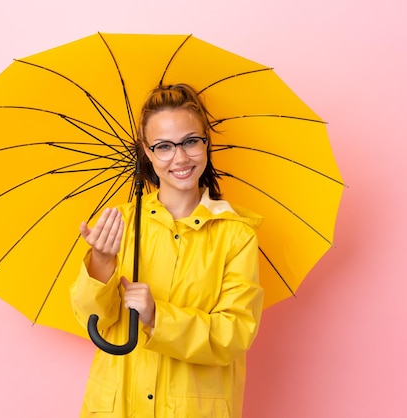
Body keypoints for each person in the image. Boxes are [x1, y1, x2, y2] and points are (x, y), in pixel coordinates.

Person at [70, 83, 264, 417]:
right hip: (118, 408)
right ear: (146, 151)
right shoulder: (121, 223)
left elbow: (234, 334)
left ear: (206, 142)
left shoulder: (236, 234)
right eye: (163, 146)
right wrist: (101, 261)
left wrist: (157, 316)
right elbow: (94, 323)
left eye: (190, 141)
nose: (180, 157)